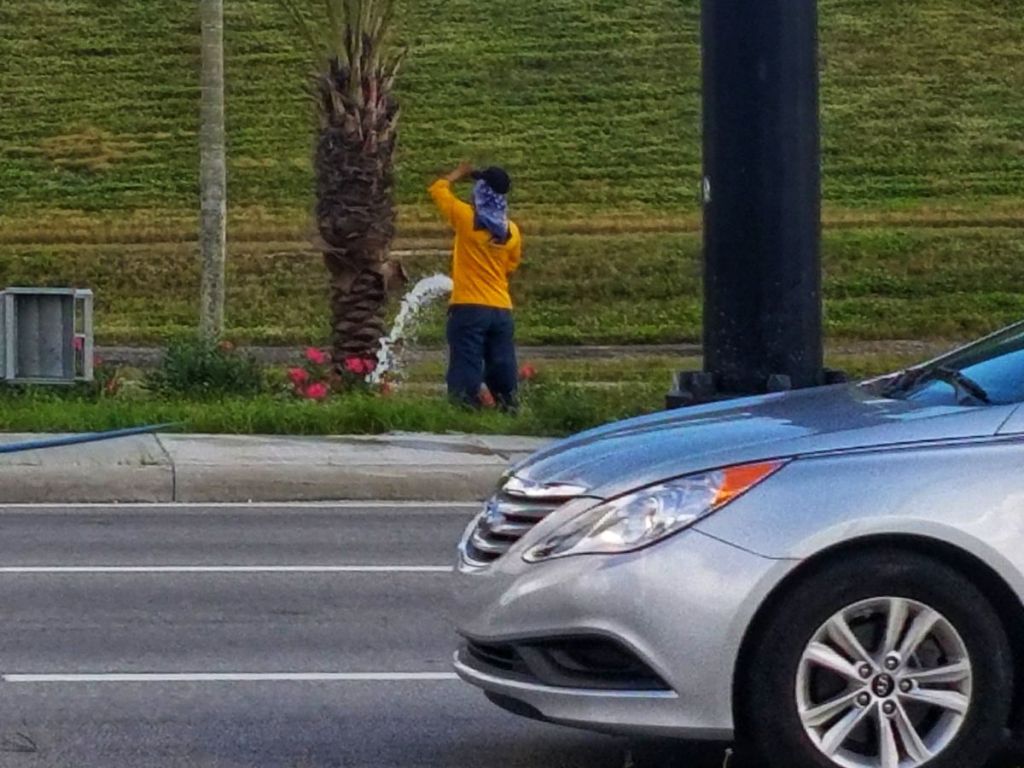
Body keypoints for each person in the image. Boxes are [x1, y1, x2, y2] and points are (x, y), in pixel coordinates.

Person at [429, 162, 523, 409]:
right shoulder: (511, 231)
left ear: (482, 191)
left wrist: (456, 174)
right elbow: (510, 267)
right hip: (501, 308)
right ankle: (508, 408)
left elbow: (438, 190)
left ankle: (465, 409)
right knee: (502, 362)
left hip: (469, 306)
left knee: (466, 362)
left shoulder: (466, 218)